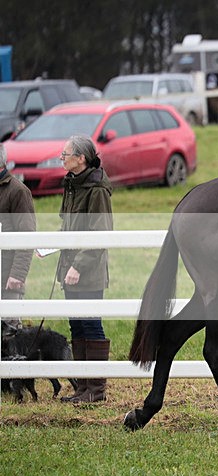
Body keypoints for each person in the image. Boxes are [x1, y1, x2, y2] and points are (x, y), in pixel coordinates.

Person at [57, 135, 113, 403]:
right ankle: (82, 387)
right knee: (76, 325)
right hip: (69, 269)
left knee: (91, 325)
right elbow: (67, 227)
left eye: (65, 153)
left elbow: (100, 233)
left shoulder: (97, 189)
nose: (61, 157)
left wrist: (78, 266)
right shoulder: (71, 185)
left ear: (81, 158)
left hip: (88, 272)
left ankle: (96, 390)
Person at [0, 144, 36, 329]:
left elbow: (27, 237)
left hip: (7, 278)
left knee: (10, 337)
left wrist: (17, 275)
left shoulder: (18, 192)